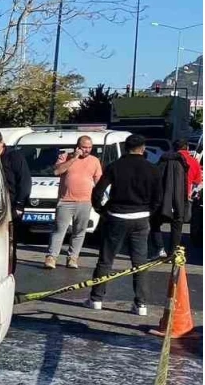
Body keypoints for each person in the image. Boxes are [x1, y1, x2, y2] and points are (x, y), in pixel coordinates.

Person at [87, 135, 162, 315]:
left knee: (106, 259)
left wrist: (101, 210)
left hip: (117, 215)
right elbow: (158, 197)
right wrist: (149, 212)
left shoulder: (115, 167)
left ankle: (96, 298)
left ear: (126, 147)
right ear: (143, 149)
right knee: (140, 262)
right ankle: (141, 303)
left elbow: (97, 191)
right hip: (141, 217)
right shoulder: (152, 169)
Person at [45, 135, 102, 269]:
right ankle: (51, 257)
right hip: (66, 201)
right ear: (77, 146)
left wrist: (98, 197)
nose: (87, 150)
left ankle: (73, 257)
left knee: (80, 231)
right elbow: (57, 171)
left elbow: (98, 180)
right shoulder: (65, 156)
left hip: (85, 201)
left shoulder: (94, 161)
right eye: (84, 147)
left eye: (89, 147)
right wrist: (74, 158)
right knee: (59, 230)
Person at [148, 142, 190, 258]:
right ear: (186, 147)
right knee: (177, 226)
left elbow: (154, 179)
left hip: (162, 199)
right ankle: (172, 253)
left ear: (173, 148)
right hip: (180, 199)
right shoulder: (189, 161)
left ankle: (160, 249)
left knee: (154, 223)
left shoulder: (161, 161)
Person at [0, 130, 31, 217]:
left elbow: (24, 181)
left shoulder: (14, 157)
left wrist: (19, 204)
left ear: (1, 143)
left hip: (11, 205)